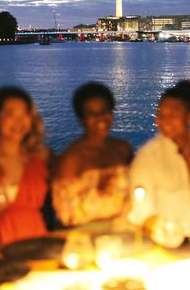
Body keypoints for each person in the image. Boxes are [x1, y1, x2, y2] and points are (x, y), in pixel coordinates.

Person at [129, 80, 190, 248]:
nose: (164, 121)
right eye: (161, 115)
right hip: (161, 243)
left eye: (173, 115)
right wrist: (161, 231)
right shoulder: (148, 156)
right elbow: (141, 208)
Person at [53, 82, 133, 227]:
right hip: (85, 239)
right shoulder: (72, 159)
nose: (100, 118)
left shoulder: (123, 149)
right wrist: (95, 190)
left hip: (123, 233)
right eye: (92, 114)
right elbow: (65, 214)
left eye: (104, 111)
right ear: (81, 119)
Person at [0, 86, 50, 247]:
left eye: (24, 114)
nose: (19, 121)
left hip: (35, 247)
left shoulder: (41, 158)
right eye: (10, 114)